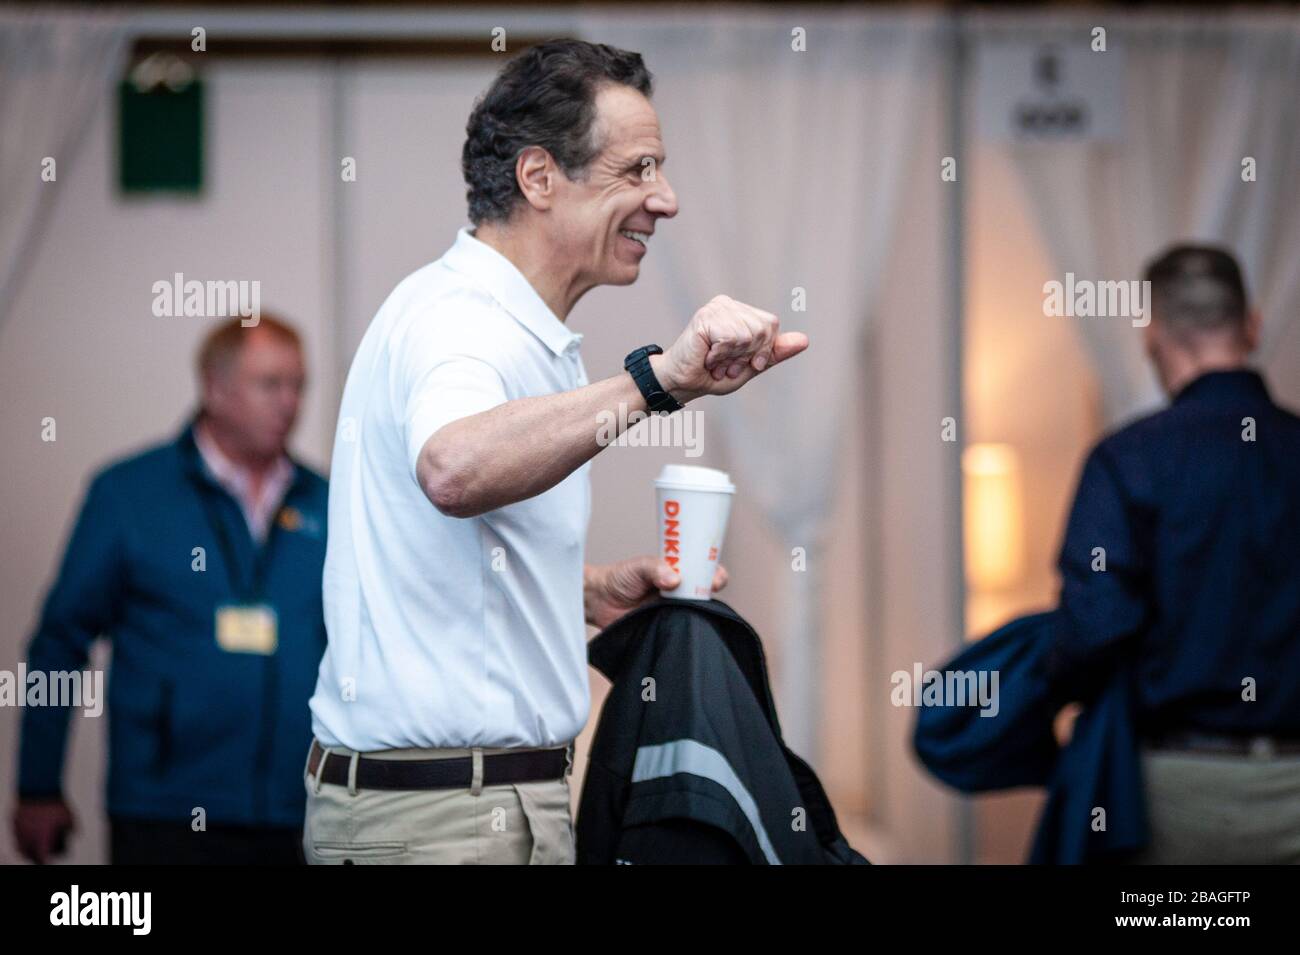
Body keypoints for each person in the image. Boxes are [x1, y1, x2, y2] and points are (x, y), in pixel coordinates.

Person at [304, 39, 808, 865]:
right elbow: (452, 468)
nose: (666, 199)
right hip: (437, 823)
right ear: (539, 178)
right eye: (637, 170)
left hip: (480, 806)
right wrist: (662, 379)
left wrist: (584, 589)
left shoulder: (517, 328)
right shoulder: (459, 318)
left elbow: (434, 553)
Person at [13, 315, 329, 865]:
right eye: (270, 384)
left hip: (297, 814)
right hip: (166, 813)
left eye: (298, 384)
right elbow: (59, 644)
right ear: (215, 388)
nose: (289, 402)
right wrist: (37, 787)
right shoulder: (130, 495)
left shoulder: (325, 502)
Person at [1047, 244, 1300, 863]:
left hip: (1178, 789)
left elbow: (1092, 629)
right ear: (1253, 324)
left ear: (1153, 333)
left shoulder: (1128, 459)